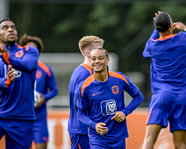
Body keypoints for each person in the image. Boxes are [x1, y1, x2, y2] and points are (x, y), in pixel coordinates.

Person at [0, 18, 39, 148]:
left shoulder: (29, 51)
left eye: (13, 27)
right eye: (5, 28)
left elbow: (26, 65)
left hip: (23, 119)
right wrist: (7, 81)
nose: (10, 29)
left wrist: (7, 59)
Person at [77, 48, 144, 149]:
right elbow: (81, 113)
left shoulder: (119, 78)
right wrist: (94, 125)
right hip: (97, 139)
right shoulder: (84, 87)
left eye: (100, 58)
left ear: (107, 60)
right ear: (90, 62)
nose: (97, 61)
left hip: (119, 137)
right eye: (93, 59)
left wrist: (124, 112)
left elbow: (138, 97)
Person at [142, 11, 186, 149]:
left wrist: (157, 28)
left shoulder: (152, 46)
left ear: (157, 28)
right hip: (182, 96)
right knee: (181, 143)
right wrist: (184, 28)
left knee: (149, 140)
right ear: (172, 26)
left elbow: (146, 51)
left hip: (162, 96)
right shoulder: (183, 40)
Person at [19, 34, 58, 149]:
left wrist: (43, 99)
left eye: (34, 49)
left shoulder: (45, 70)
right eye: (28, 49)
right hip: (21, 118)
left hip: (39, 120)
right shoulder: (16, 69)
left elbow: (54, 90)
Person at [67, 36, 104, 149]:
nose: (101, 52)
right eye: (98, 49)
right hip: (82, 130)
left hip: (87, 129)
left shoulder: (86, 71)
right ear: (88, 54)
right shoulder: (85, 74)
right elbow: (79, 105)